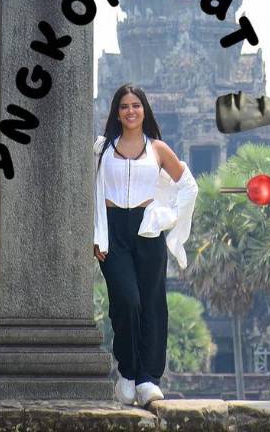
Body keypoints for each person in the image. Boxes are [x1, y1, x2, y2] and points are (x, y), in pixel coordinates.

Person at [94, 83, 198, 406]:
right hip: (113, 231)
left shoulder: (158, 149)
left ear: (144, 110)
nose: (130, 111)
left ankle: (147, 378)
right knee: (126, 300)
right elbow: (86, 190)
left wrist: (166, 218)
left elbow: (188, 186)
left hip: (148, 230)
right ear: (116, 112)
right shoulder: (100, 149)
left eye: (135, 105)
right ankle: (126, 370)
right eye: (124, 106)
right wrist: (95, 234)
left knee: (152, 303)